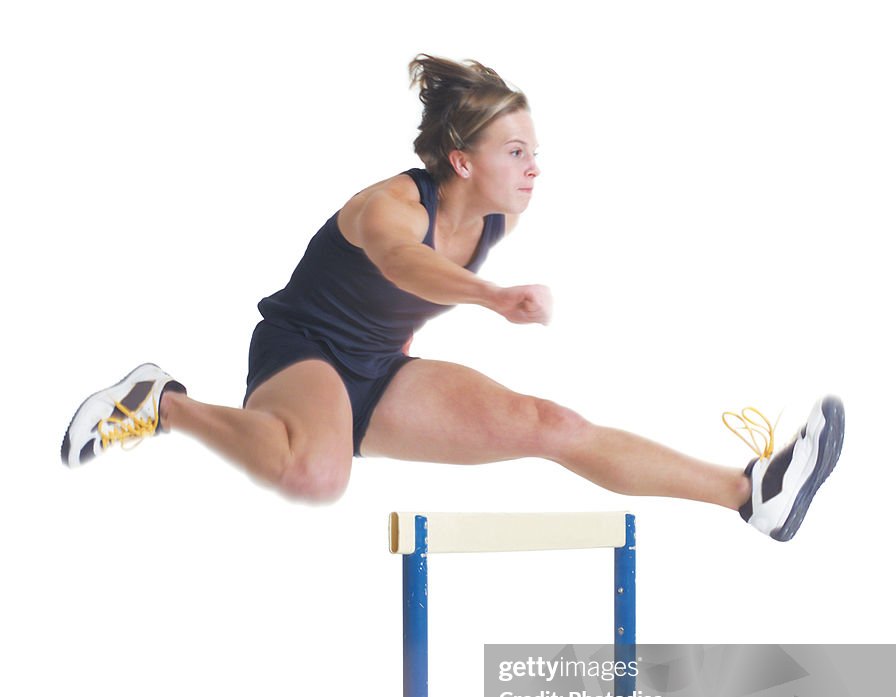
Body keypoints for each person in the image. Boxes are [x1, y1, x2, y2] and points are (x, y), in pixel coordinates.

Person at [61, 54, 844, 542]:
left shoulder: (505, 208)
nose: (533, 167)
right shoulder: (390, 206)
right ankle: (165, 404)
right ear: (460, 161)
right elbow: (405, 267)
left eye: (535, 151)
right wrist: (488, 295)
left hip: (379, 368)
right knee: (317, 476)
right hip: (303, 350)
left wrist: (456, 312)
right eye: (515, 152)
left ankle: (751, 496)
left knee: (553, 425)